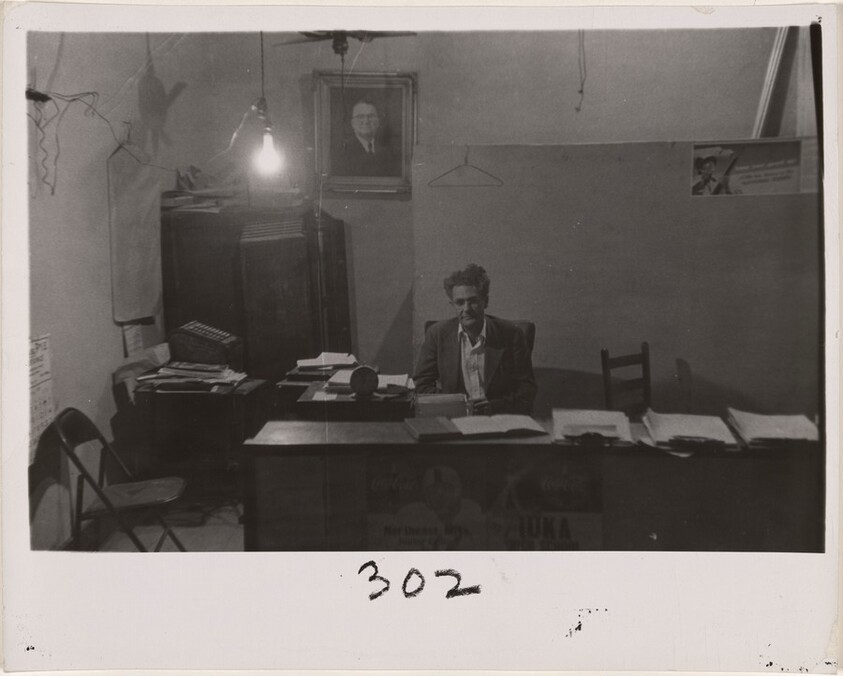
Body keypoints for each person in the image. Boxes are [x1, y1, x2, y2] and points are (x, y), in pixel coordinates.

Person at [414, 264, 537, 415]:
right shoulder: (437, 334)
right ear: (452, 304)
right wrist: (454, 405)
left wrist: (494, 406)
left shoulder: (511, 334)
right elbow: (422, 384)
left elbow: (527, 390)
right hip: (454, 419)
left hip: (498, 418)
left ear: (485, 302)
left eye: (473, 301)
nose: (466, 309)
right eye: (459, 302)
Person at [333, 99, 401, 177]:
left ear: (378, 122)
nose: (366, 121)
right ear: (352, 123)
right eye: (360, 117)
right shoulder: (342, 151)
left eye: (371, 116)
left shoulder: (391, 151)